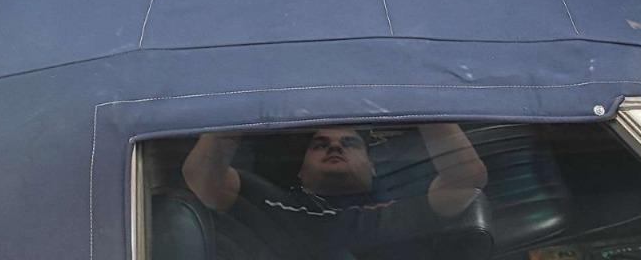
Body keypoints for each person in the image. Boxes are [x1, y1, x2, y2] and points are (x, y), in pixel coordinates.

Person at [182, 125, 488, 259]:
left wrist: (423, 103)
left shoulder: (405, 207)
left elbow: (466, 179)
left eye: (350, 143)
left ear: (373, 167)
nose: (334, 146)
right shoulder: (274, 203)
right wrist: (241, 104)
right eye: (319, 144)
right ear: (301, 172)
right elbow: (203, 178)